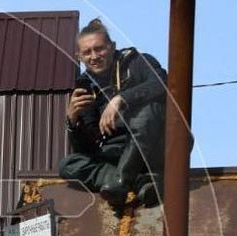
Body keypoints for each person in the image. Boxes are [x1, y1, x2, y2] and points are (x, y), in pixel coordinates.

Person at [58, 18, 168, 206]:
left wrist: (121, 99)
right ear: (79, 57)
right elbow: (87, 148)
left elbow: (164, 83)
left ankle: (121, 181)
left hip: (155, 147)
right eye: (87, 52)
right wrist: (72, 121)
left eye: (99, 48)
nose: (94, 56)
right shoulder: (85, 86)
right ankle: (136, 181)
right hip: (116, 154)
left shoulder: (137, 61)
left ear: (112, 47)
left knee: (148, 111)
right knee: (68, 165)